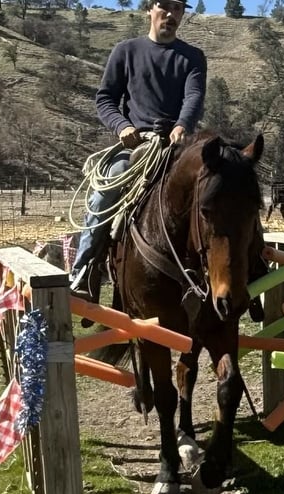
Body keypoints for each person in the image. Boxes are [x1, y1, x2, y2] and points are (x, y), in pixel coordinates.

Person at [70, 0, 207, 298]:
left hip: (176, 144)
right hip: (137, 145)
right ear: (149, 9)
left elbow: (194, 96)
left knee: (219, 187)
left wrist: (182, 125)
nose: (171, 14)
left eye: (178, 8)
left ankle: (243, 267)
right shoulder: (126, 51)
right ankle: (83, 269)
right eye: (164, 6)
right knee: (107, 187)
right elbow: (105, 99)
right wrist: (123, 127)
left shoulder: (193, 57)